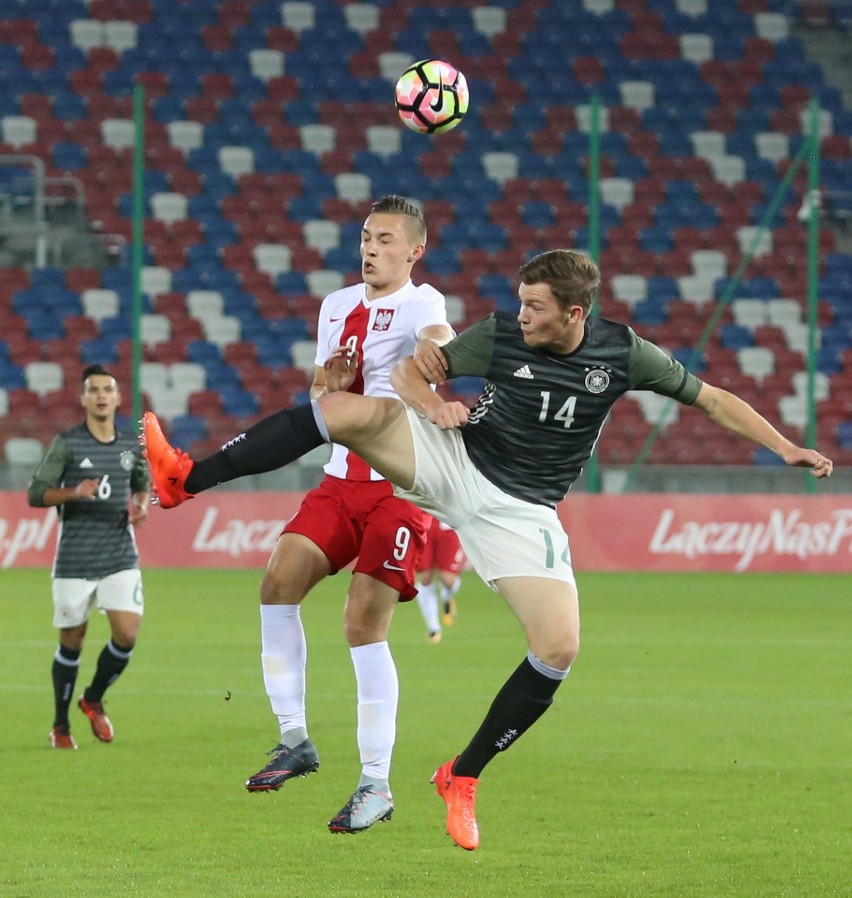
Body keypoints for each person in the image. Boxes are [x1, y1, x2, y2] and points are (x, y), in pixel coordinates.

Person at [142, 249, 833, 850]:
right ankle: (185, 479)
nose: (522, 315)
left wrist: (785, 448)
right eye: (521, 303)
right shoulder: (499, 334)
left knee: (558, 648)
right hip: (456, 459)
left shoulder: (623, 353)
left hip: (523, 511)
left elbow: (710, 399)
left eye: (536, 306)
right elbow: (418, 371)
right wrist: (432, 402)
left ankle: (462, 774)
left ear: (574, 311)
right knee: (345, 412)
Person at [242, 195, 454, 833]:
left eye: (385, 238)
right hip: (339, 481)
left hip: (397, 486)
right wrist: (327, 383)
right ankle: (295, 740)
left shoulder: (424, 304)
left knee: (363, 623)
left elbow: (438, 340)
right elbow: (317, 395)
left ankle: (375, 784)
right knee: (277, 582)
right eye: (365, 236)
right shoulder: (335, 306)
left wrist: (443, 349)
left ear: (413, 251)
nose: (369, 247)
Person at [28, 364, 150, 749]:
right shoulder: (67, 445)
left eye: (107, 389)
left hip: (118, 552)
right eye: (93, 389)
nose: (100, 395)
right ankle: (60, 725)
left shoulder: (130, 445)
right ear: (83, 398)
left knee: (127, 634)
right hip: (75, 558)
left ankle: (93, 698)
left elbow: (141, 483)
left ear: (117, 398)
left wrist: (142, 503)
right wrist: (73, 492)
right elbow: (35, 493)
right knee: (72, 640)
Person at [415, 517, 465, 643]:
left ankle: (447, 596)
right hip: (424, 523)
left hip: (447, 524)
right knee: (425, 577)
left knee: (448, 580)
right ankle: (433, 628)